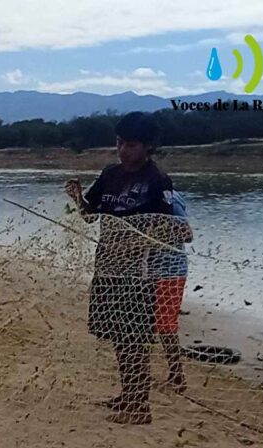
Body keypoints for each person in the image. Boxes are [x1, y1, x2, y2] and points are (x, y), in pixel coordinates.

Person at [65, 111, 176, 425]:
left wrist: (138, 244)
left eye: (131, 144)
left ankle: (140, 407)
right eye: (119, 143)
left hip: (139, 273)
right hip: (108, 267)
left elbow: (166, 229)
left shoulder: (157, 180)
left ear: (147, 147)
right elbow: (90, 216)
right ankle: (128, 395)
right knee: (118, 336)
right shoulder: (110, 174)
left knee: (135, 339)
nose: (123, 150)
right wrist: (77, 198)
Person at [146, 190, 193, 392]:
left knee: (165, 325)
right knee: (146, 322)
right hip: (147, 270)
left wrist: (152, 236)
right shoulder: (140, 195)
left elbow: (187, 234)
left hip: (170, 270)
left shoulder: (169, 199)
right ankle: (142, 373)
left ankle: (177, 376)